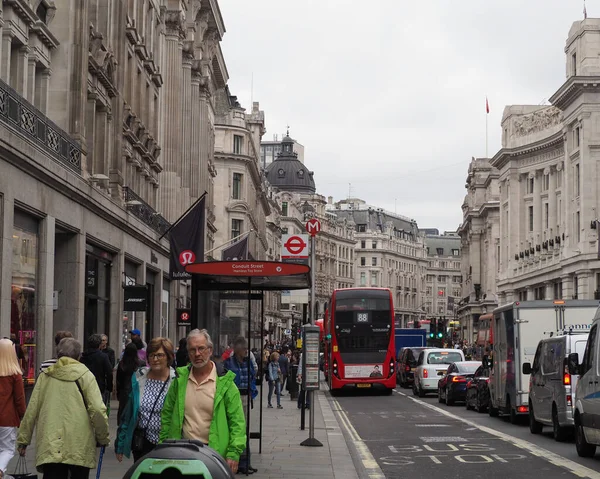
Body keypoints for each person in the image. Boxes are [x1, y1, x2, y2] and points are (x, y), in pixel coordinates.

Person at [17, 338, 110, 479]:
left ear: (57, 354)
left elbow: (32, 410)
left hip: (51, 444)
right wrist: (103, 437)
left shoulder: (45, 376)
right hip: (79, 443)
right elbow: (97, 409)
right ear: (78, 356)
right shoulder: (86, 376)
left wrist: (24, 440)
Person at [159, 329, 246, 475]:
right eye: (192, 350)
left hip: (214, 455)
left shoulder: (225, 383)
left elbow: (237, 422)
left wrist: (233, 453)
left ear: (210, 350)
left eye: (201, 348)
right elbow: (166, 414)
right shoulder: (180, 381)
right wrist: (163, 446)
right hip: (182, 453)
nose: (197, 354)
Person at [115, 337, 176, 462]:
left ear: (169, 357)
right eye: (151, 355)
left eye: (160, 355)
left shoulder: (177, 380)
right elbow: (128, 414)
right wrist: (120, 444)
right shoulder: (139, 378)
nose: (155, 359)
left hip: (169, 445)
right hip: (143, 444)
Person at [223, 337, 258, 474]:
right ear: (237, 350)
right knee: (238, 430)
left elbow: (253, 376)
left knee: (245, 430)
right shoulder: (229, 363)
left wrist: (252, 391)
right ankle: (240, 461)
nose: (246, 351)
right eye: (244, 349)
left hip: (246, 397)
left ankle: (246, 462)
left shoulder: (248, 362)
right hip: (234, 398)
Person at [0, 338, 26, 478]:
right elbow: (19, 398)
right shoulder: (15, 374)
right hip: (7, 418)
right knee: (7, 450)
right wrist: (23, 415)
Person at [80, 334, 114, 404]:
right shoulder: (103, 357)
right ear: (99, 345)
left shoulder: (82, 357)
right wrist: (109, 387)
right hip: (99, 386)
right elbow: (109, 372)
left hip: (85, 386)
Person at [116, 343, 144, 425]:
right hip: (137, 390)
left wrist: (118, 392)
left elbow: (119, 380)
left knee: (123, 411)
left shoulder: (121, 364)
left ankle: (122, 425)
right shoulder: (140, 364)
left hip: (124, 391)